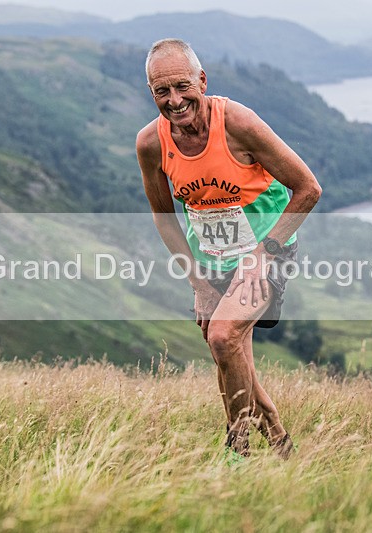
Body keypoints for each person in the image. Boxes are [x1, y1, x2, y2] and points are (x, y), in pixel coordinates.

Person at [136, 38, 321, 458]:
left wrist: (265, 252)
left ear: (202, 80)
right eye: (161, 92)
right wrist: (197, 282)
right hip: (211, 259)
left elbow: (308, 189)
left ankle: (237, 450)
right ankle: (276, 433)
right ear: (151, 93)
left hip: (266, 248)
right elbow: (164, 217)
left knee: (222, 336)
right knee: (228, 351)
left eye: (183, 86)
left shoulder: (238, 123)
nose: (175, 100)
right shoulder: (150, 143)